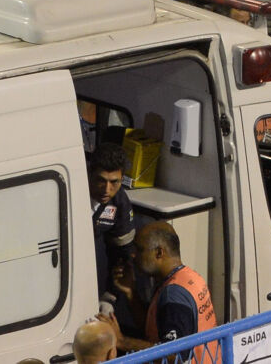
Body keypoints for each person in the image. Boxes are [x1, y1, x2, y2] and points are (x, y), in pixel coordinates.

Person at [124, 222, 217, 360]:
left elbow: (175, 355)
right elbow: (156, 327)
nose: (133, 255)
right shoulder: (189, 277)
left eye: (139, 249)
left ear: (159, 252)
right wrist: (130, 292)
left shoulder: (173, 295)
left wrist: (121, 341)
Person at [91, 142, 138, 322]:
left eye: (114, 182)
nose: (106, 189)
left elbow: (122, 255)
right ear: (89, 174)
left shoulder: (119, 202)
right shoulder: (72, 194)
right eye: (100, 180)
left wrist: (110, 296)